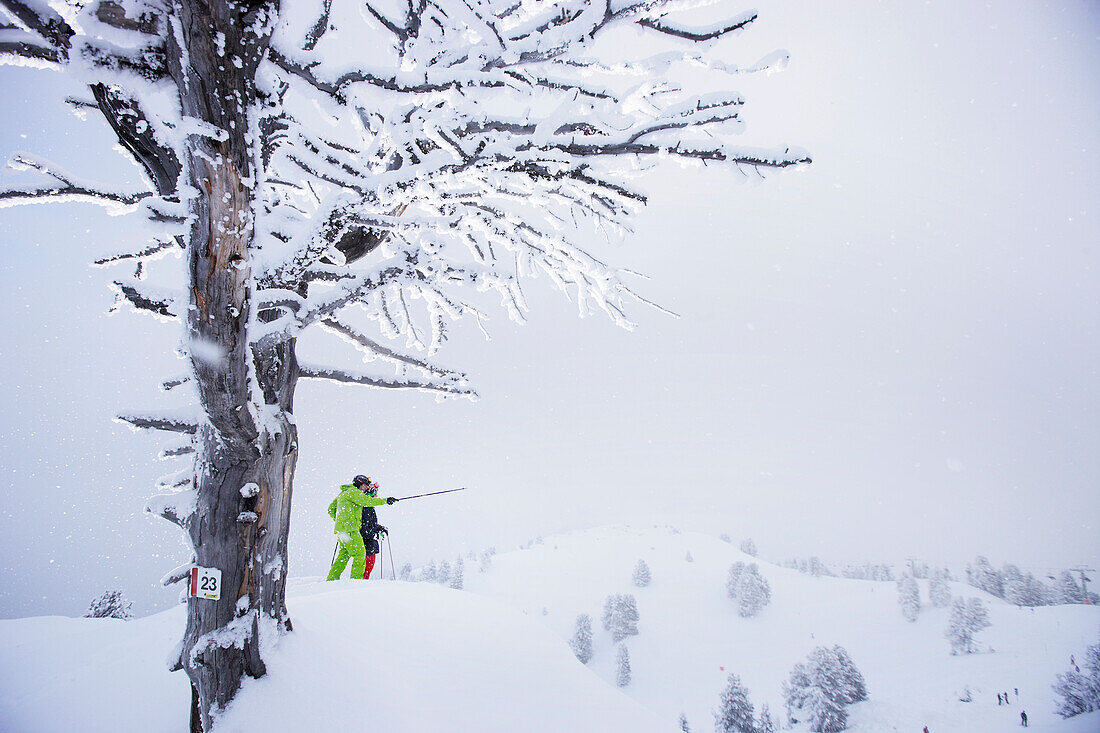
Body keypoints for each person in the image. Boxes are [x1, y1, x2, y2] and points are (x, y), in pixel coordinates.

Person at [326, 475, 396, 581]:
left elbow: (331, 509)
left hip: (342, 531)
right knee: (360, 554)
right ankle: (356, 581)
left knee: (343, 555)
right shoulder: (354, 492)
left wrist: (340, 521)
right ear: (360, 484)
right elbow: (367, 501)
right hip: (350, 529)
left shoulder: (344, 493)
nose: (365, 488)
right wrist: (386, 501)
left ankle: (332, 579)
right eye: (365, 485)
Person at [358, 478, 389, 579]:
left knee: (369, 564)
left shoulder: (369, 508)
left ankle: (364, 580)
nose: (377, 496)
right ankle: (362, 581)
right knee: (367, 565)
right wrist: (374, 533)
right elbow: (365, 527)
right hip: (366, 541)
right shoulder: (366, 508)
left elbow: (371, 524)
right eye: (375, 494)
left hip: (369, 540)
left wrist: (380, 528)